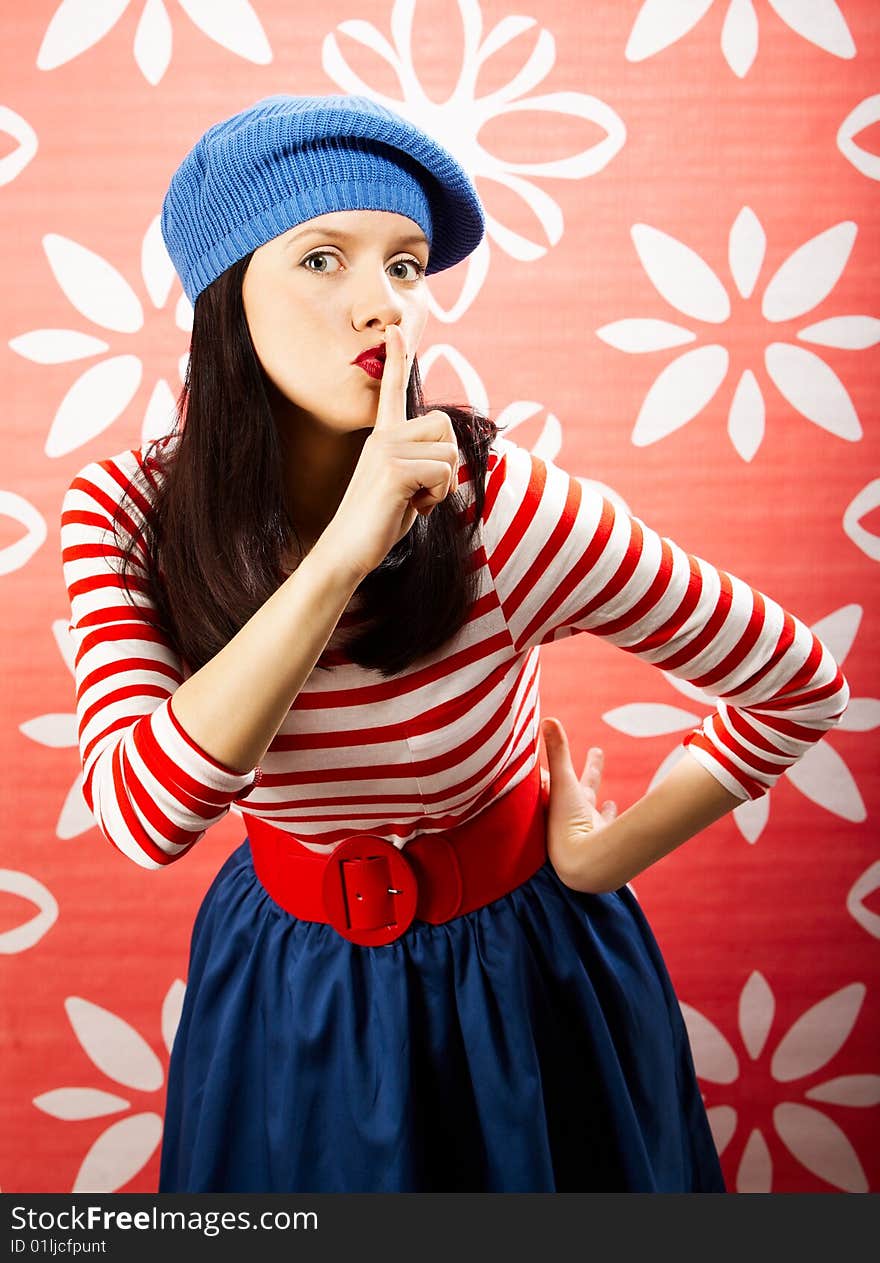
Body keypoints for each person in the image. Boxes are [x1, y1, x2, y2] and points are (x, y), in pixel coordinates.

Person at [60, 93, 849, 1194]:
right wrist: (340, 555)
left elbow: (798, 684)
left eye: (404, 266)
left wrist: (602, 854)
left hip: (521, 982)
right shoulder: (123, 519)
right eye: (323, 260)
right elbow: (147, 819)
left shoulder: (502, 512)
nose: (381, 307)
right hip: (279, 985)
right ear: (225, 297)